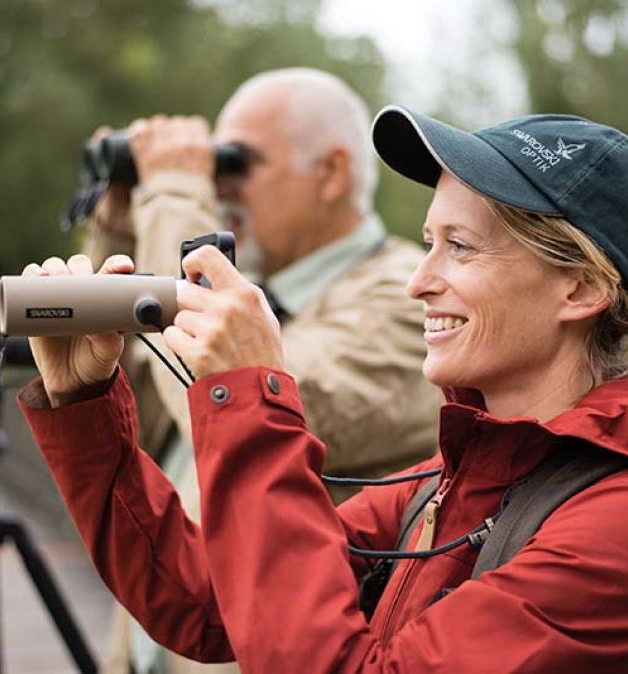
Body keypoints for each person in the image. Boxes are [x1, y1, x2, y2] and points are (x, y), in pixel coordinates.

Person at [19, 107, 628, 672]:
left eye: (459, 248)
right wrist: (86, 408)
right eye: (426, 244)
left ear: (578, 288)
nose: (420, 283)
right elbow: (203, 597)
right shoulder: (448, 485)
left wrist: (249, 394)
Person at [80, 69, 441, 672]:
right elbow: (137, 416)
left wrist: (171, 193)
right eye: (210, 170)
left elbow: (241, 403)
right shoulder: (252, 299)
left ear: (330, 173)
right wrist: (120, 232)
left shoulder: (407, 300)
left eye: (235, 163)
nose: (218, 191)